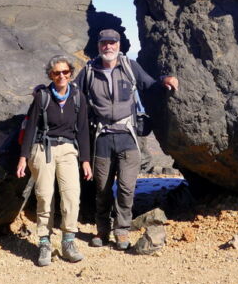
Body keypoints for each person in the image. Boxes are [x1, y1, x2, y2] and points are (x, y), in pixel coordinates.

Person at [75, 29, 179, 250]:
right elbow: (72, 93)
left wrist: (165, 80)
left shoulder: (130, 67)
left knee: (126, 188)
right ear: (99, 45)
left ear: (118, 45)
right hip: (102, 137)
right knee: (102, 189)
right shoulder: (89, 71)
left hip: (128, 137)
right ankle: (102, 231)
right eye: (104, 43)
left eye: (112, 43)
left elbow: (149, 85)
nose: (108, 47)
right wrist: (45, 93)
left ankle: (122, 231)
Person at [16, 55, 92, 266]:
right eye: (56, 73)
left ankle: (68, 242)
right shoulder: (42, 97)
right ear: (50, 74)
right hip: (43, 148)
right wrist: (23, 158)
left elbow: (83, 130)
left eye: (65, 72)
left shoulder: (78, 97)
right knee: (44, 196)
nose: (61, 76)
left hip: (68, 149)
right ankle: (44, 243)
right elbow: (30, 128)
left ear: (71, 74)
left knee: (71, 195)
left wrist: (85, 160)